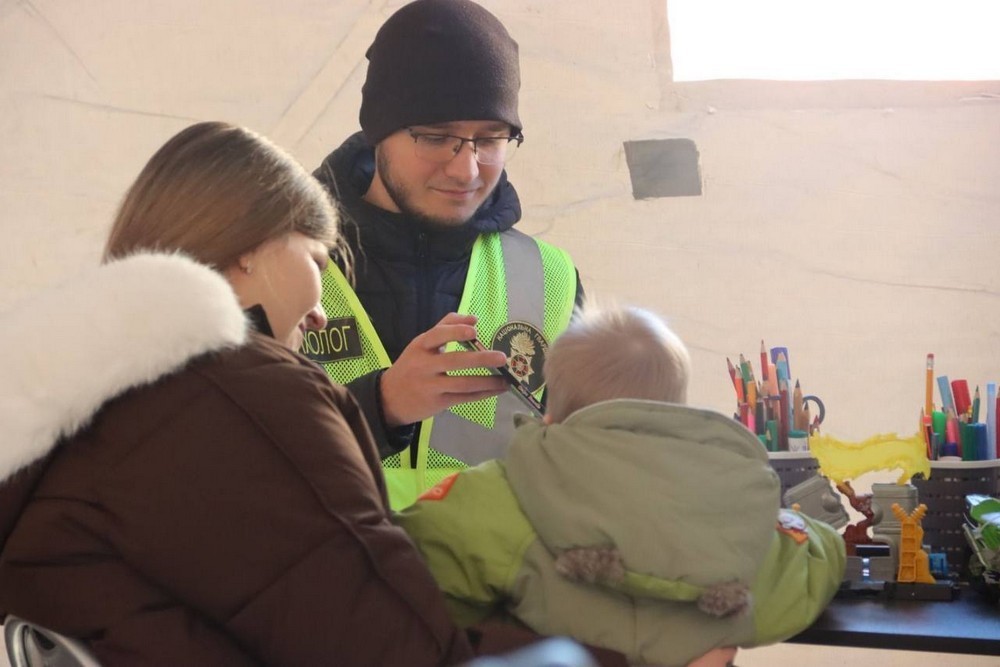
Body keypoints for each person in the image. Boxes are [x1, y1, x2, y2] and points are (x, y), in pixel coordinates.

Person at [0, 122, 625, 666]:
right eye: (316, 260)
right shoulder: (243, 398)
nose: (323, 311)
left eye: (491, 138)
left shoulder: (76, 418)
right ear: (249, 250)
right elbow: (397, 651)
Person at [397, 304, 847, 667]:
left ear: (550, 412)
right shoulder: (734, 504)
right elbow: (809, 568)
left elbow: (417, 567)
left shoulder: (501, 491)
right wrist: (817, 535)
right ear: (675, 409)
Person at [307, 0, 582, 509]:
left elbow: (582, 462)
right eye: (436, 137)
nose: (466, 169)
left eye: (491, 137)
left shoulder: (549, 278)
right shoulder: (280, 262)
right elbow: (222, 458)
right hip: (323, 579)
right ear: (377, 132)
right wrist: (380, 405)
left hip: (496, 584)